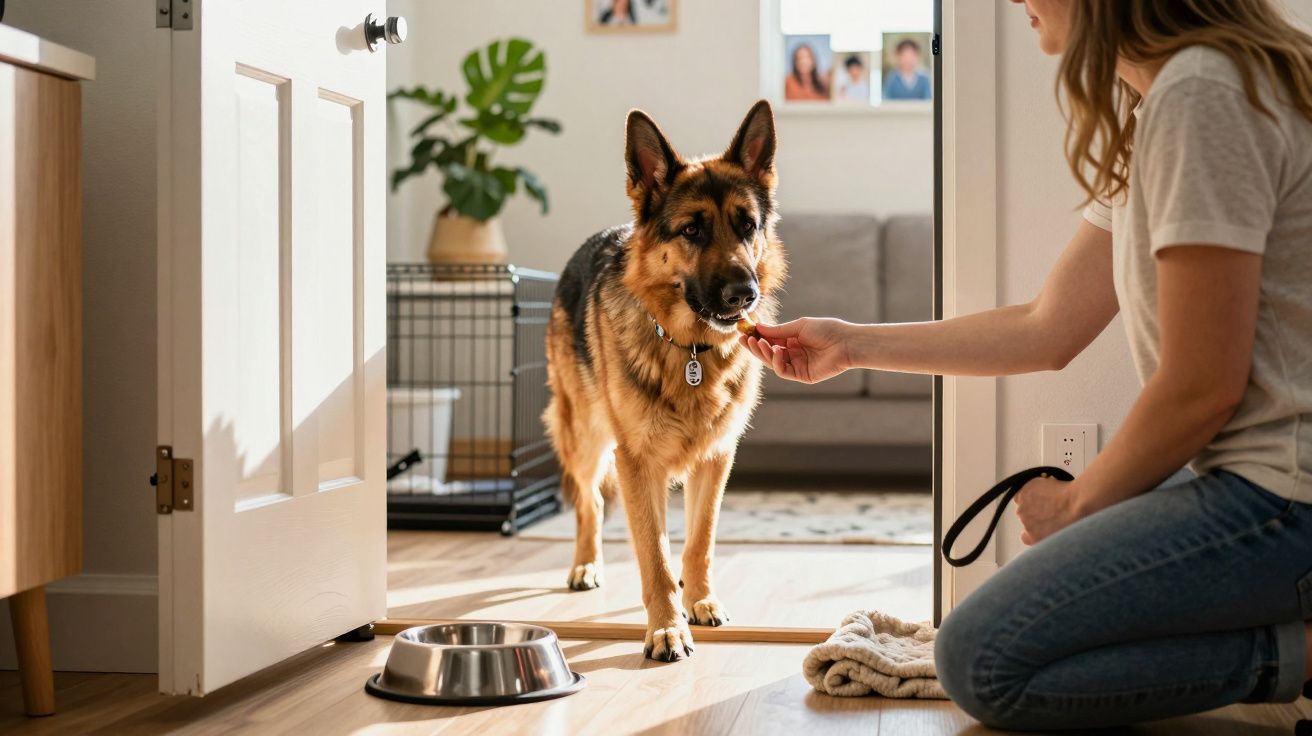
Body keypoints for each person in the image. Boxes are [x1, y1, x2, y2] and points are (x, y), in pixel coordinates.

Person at [742, 0, 1312, 730]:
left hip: (1286, 503)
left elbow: (1202, 387)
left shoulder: (1202, 96)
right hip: (1258, 486)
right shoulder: (1165, 104)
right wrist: (851, 344)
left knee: (981, 658)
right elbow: (1047, 329)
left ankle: (1295, 655)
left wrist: (1081, 505)